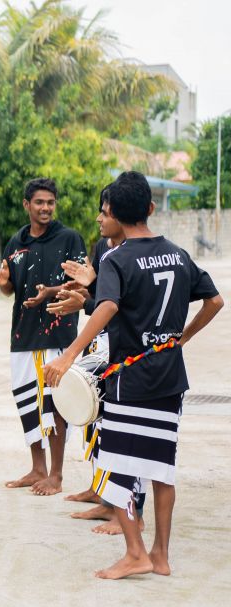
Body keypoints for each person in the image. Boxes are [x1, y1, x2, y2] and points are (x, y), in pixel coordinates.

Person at [44, 171, 223, 579]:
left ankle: (135, 553)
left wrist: (71, 353)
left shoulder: (116, 258)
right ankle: (160, 555)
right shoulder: (178, 254)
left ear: (116, 216)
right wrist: (181, 339)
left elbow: (107, 307)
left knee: (119, 466)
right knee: (162, 469)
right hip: (170, 379)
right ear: (151, 208)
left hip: (130, 379)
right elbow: (214, 300)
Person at [47, 185, 143, 535]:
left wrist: (90, 294)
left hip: (127, 348)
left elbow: (117, 302)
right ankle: (103, 493)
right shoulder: (103, 247)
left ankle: (129, 509)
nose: (100, 218)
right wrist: (81, 293)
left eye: (106, 211)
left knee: (124, 427)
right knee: (96, 421)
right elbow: (101, 296)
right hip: (103, 340)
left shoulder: (136, 252)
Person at [0, 177, 86, 496]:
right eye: (39, 202)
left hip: (58, 335)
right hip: (22, 335)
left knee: (55, 404)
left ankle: (57, 475)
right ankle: (37, 468)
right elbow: (9, 290)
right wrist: (4, 282)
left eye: (50, 202)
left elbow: (83, 284)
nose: (45, 208)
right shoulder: (15, 243)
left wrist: (50, 292)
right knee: (27, 404)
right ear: (26, 205)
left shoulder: (70, 239)